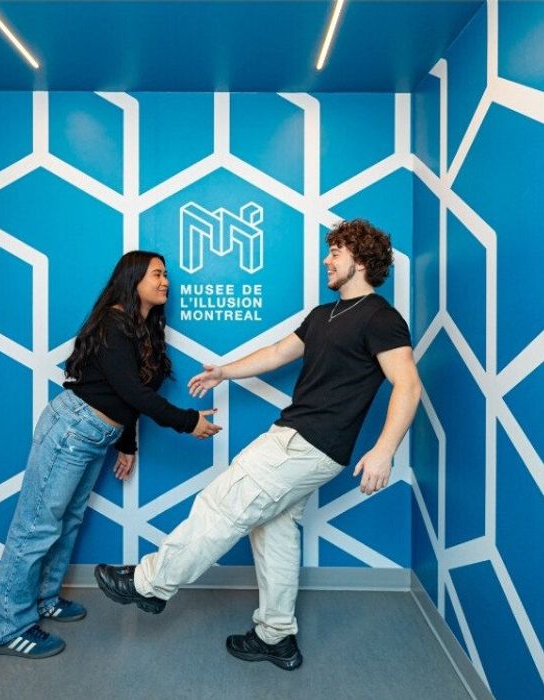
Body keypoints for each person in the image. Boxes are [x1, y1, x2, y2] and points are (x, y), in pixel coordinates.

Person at [94, 219, 421, 671]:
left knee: (222, 504)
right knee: (275, 531)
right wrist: (224, 370)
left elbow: (407, 384)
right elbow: (276, 354)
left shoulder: (382, 318)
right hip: (303, 443)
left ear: (361, 261)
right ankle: (276, 636)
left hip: (306, 445)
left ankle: (149, 585)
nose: (326, 260)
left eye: (336, 253)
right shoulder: (324, 316)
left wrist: (384, 450)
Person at [0, 251, 222, 659]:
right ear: (133, 279)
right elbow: (132, 392)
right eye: (157, 274)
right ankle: (10, 627)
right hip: (72, 430)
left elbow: (126, 394)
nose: (166, 282)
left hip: (94, 434)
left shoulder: (143, 327)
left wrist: (126, 443)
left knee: (67, 522)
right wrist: (188, 422)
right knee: (36, 528)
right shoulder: (114, 322)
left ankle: (44, 600)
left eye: (166, 275)